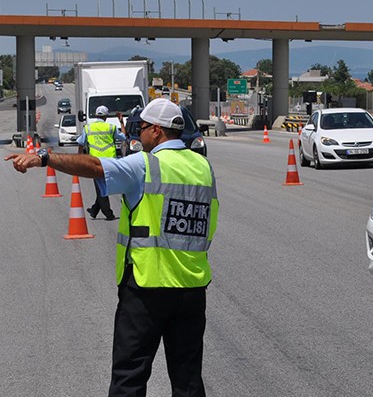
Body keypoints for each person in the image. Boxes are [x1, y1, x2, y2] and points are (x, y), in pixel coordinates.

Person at [5, 98, 219, 396]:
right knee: (188, 380)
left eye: (141, 127)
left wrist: (45, 157)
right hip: (192, 288)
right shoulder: (203, 168)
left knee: (129, 377)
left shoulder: (146, 164)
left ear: (156, 131)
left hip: (147, 287)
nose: (138, 133)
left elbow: (94, 165)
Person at [76, 105, 127, 220]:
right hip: (110, 162)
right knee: (102, 187)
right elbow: (124, 137)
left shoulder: (88, 128)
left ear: (96, 115)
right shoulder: (111, 127)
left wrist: (79, 158)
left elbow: (81, 143)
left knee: (101, 188)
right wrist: (121, 122)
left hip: (95, 162)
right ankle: (94, 210)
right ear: (106, 116)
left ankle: (108, 214)